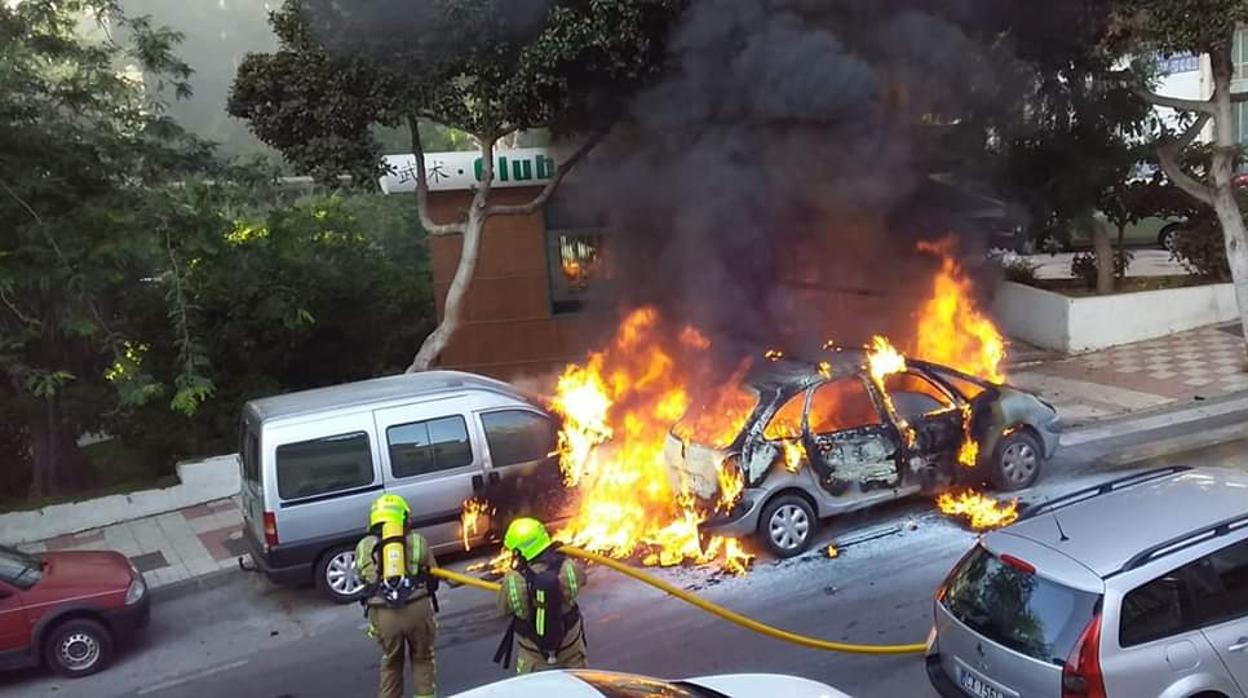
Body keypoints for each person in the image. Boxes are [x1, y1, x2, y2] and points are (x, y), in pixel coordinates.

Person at [356, 494, 439, 698]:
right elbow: (433, 576)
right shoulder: (417, 541)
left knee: (391, 662)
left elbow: (363, 579)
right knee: (422, 658)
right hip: (417, 609)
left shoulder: (364, 546)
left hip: (383, 614)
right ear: (404, 518)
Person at [493, 517, 588, 673]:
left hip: (535, 659)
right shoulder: (568, 566)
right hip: (571, 652)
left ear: (519, 552)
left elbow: (503, 608)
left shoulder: (514, 579)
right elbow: (582, 580)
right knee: (578, 685)